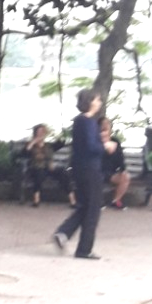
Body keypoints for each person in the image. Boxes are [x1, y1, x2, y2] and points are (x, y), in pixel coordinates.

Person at [52, 87, 114, 260]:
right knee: (93, 207)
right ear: (90, 102)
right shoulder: (87, 122)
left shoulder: (81, 121)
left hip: (80, 169)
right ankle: (84, 249)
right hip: (90, 170)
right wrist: (106, 146)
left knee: (85, 205)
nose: (100, 102)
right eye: (97, 99)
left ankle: (64, 233)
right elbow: (91, 147)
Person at [24, 122, 72, 206]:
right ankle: (36, 200)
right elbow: (25, 153)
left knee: (63, 173)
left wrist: (59, 134)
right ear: (35, 133)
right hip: (36, 167)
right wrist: (34, 142)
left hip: (49, 167)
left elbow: (62, 142)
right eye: (39, 132)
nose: (41, 134)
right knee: (38, 174)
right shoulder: (30, 145)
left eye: (43, 131)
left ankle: (72, 200)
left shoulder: (49, 146)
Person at [100, 116, 130, 209]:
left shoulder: (115, 141)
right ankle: (98, 201)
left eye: (107, 124)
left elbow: (120, 158)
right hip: (97, 171)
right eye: (103, 124)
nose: (105, 126)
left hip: (111, 173)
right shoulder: (94, 141)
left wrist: (122, 170)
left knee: (125, 177)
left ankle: (116, 201)